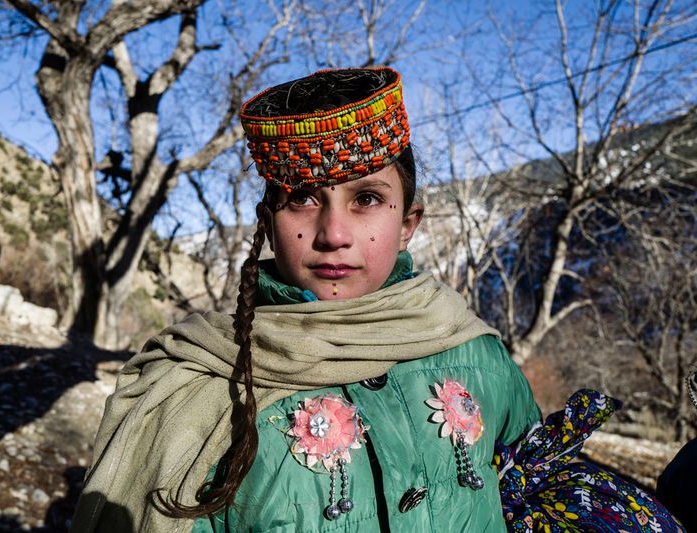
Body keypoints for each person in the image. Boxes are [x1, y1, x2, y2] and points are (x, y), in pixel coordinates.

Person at [70, 67, 683, 533]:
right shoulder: (197, 384)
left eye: (366, 199)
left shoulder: (479, 362)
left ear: (409, 221)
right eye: (302, 198)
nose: (334, 234)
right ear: (269, 218)